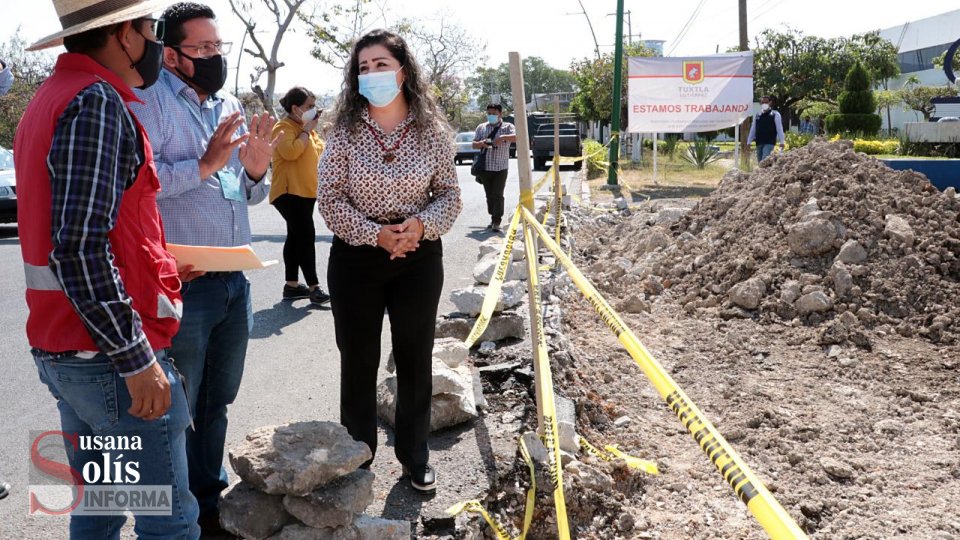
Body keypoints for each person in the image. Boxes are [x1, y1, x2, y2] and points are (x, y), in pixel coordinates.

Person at [15, 0, 200, 537]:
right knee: (169, 520)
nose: (156, 45)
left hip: (73, 350)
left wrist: (158, 266)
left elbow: (95, 229)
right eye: (150, 29)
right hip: (112, 363)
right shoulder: (93, 102)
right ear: (124, 35)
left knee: (99, 506)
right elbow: (78, 246)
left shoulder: (52, 97)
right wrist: (137, 359)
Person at [128, 2, 275, 533]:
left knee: (216, 401)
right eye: (203, 48)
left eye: (219, 46)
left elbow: (239, 190)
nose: (215, 57)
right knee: (176, 408)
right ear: (171, 54)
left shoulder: (228, 104)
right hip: (181, 284)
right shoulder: (147, 104)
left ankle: (208, 504)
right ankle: (175, 512)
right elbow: (142, 183)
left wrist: (255, 173)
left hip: (233, 281)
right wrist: (206, 164)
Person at [318, 29, 462, 492]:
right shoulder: (342, 132)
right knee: (358, 360)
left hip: (418, 258)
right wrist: (376, 235)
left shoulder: (433, 131)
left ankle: (415, 457)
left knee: (414, 358)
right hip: (357, 257)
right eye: (363, 67)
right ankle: (357, 458)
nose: (372, 74)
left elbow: (450, 195)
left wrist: (418, 227)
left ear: (403, 70)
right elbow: (331, 200)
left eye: (381, 64)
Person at [271, 86, 330, 305]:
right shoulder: (283, 127)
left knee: (295, 236)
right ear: (296, 108)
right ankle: (314, 287)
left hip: (305, 193)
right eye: (309, 106)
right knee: (305, 235)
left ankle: (292, 286)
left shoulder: (308, 130)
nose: (313, 111)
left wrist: (312, 131)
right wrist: (306, 131)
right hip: (288, 192)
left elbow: (320, 153)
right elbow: (291, 151)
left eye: (315, 106)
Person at [473, 103, 516, 232]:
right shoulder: (481, 128)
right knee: (489, 195)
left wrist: (502, 138)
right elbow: (474, 144)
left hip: (501, 168)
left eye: (494, 113)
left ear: (500, 114)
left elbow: (517, 137)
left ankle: (497, 220)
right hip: (485, 168)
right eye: (489, 113)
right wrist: (481, 143)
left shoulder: (508, 127)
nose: (491, 116)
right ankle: (493, 216)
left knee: (498, 194)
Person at [747, 95, 785, 161]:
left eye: (766, 102)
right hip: (759, 142)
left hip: (769, 142)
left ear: (770, 103)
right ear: (760, 103)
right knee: (760, 162)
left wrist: (782, 141)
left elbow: (779, 128)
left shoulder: (775, 114)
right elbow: (753, 129)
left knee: (764, 160)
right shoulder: (757, 115)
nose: (764, 104)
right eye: (763, 102)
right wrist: (749, 141)